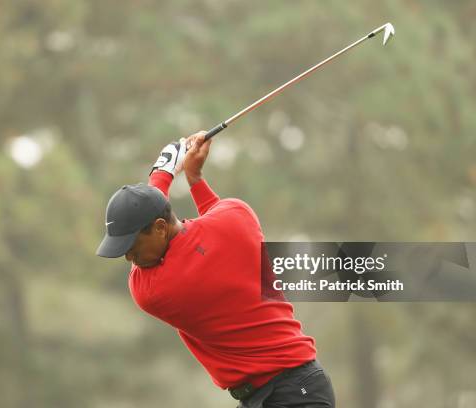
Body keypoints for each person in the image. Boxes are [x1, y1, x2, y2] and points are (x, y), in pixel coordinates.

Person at [96, 131, 335, 407]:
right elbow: (214, 214)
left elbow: (191, 229)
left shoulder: (156, 291)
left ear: (160, 228)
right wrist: (192, 177)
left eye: (132, 247)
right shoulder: (238, 217)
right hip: (292, 388)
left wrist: (163, 173)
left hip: (293, 394)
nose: (128, 257)